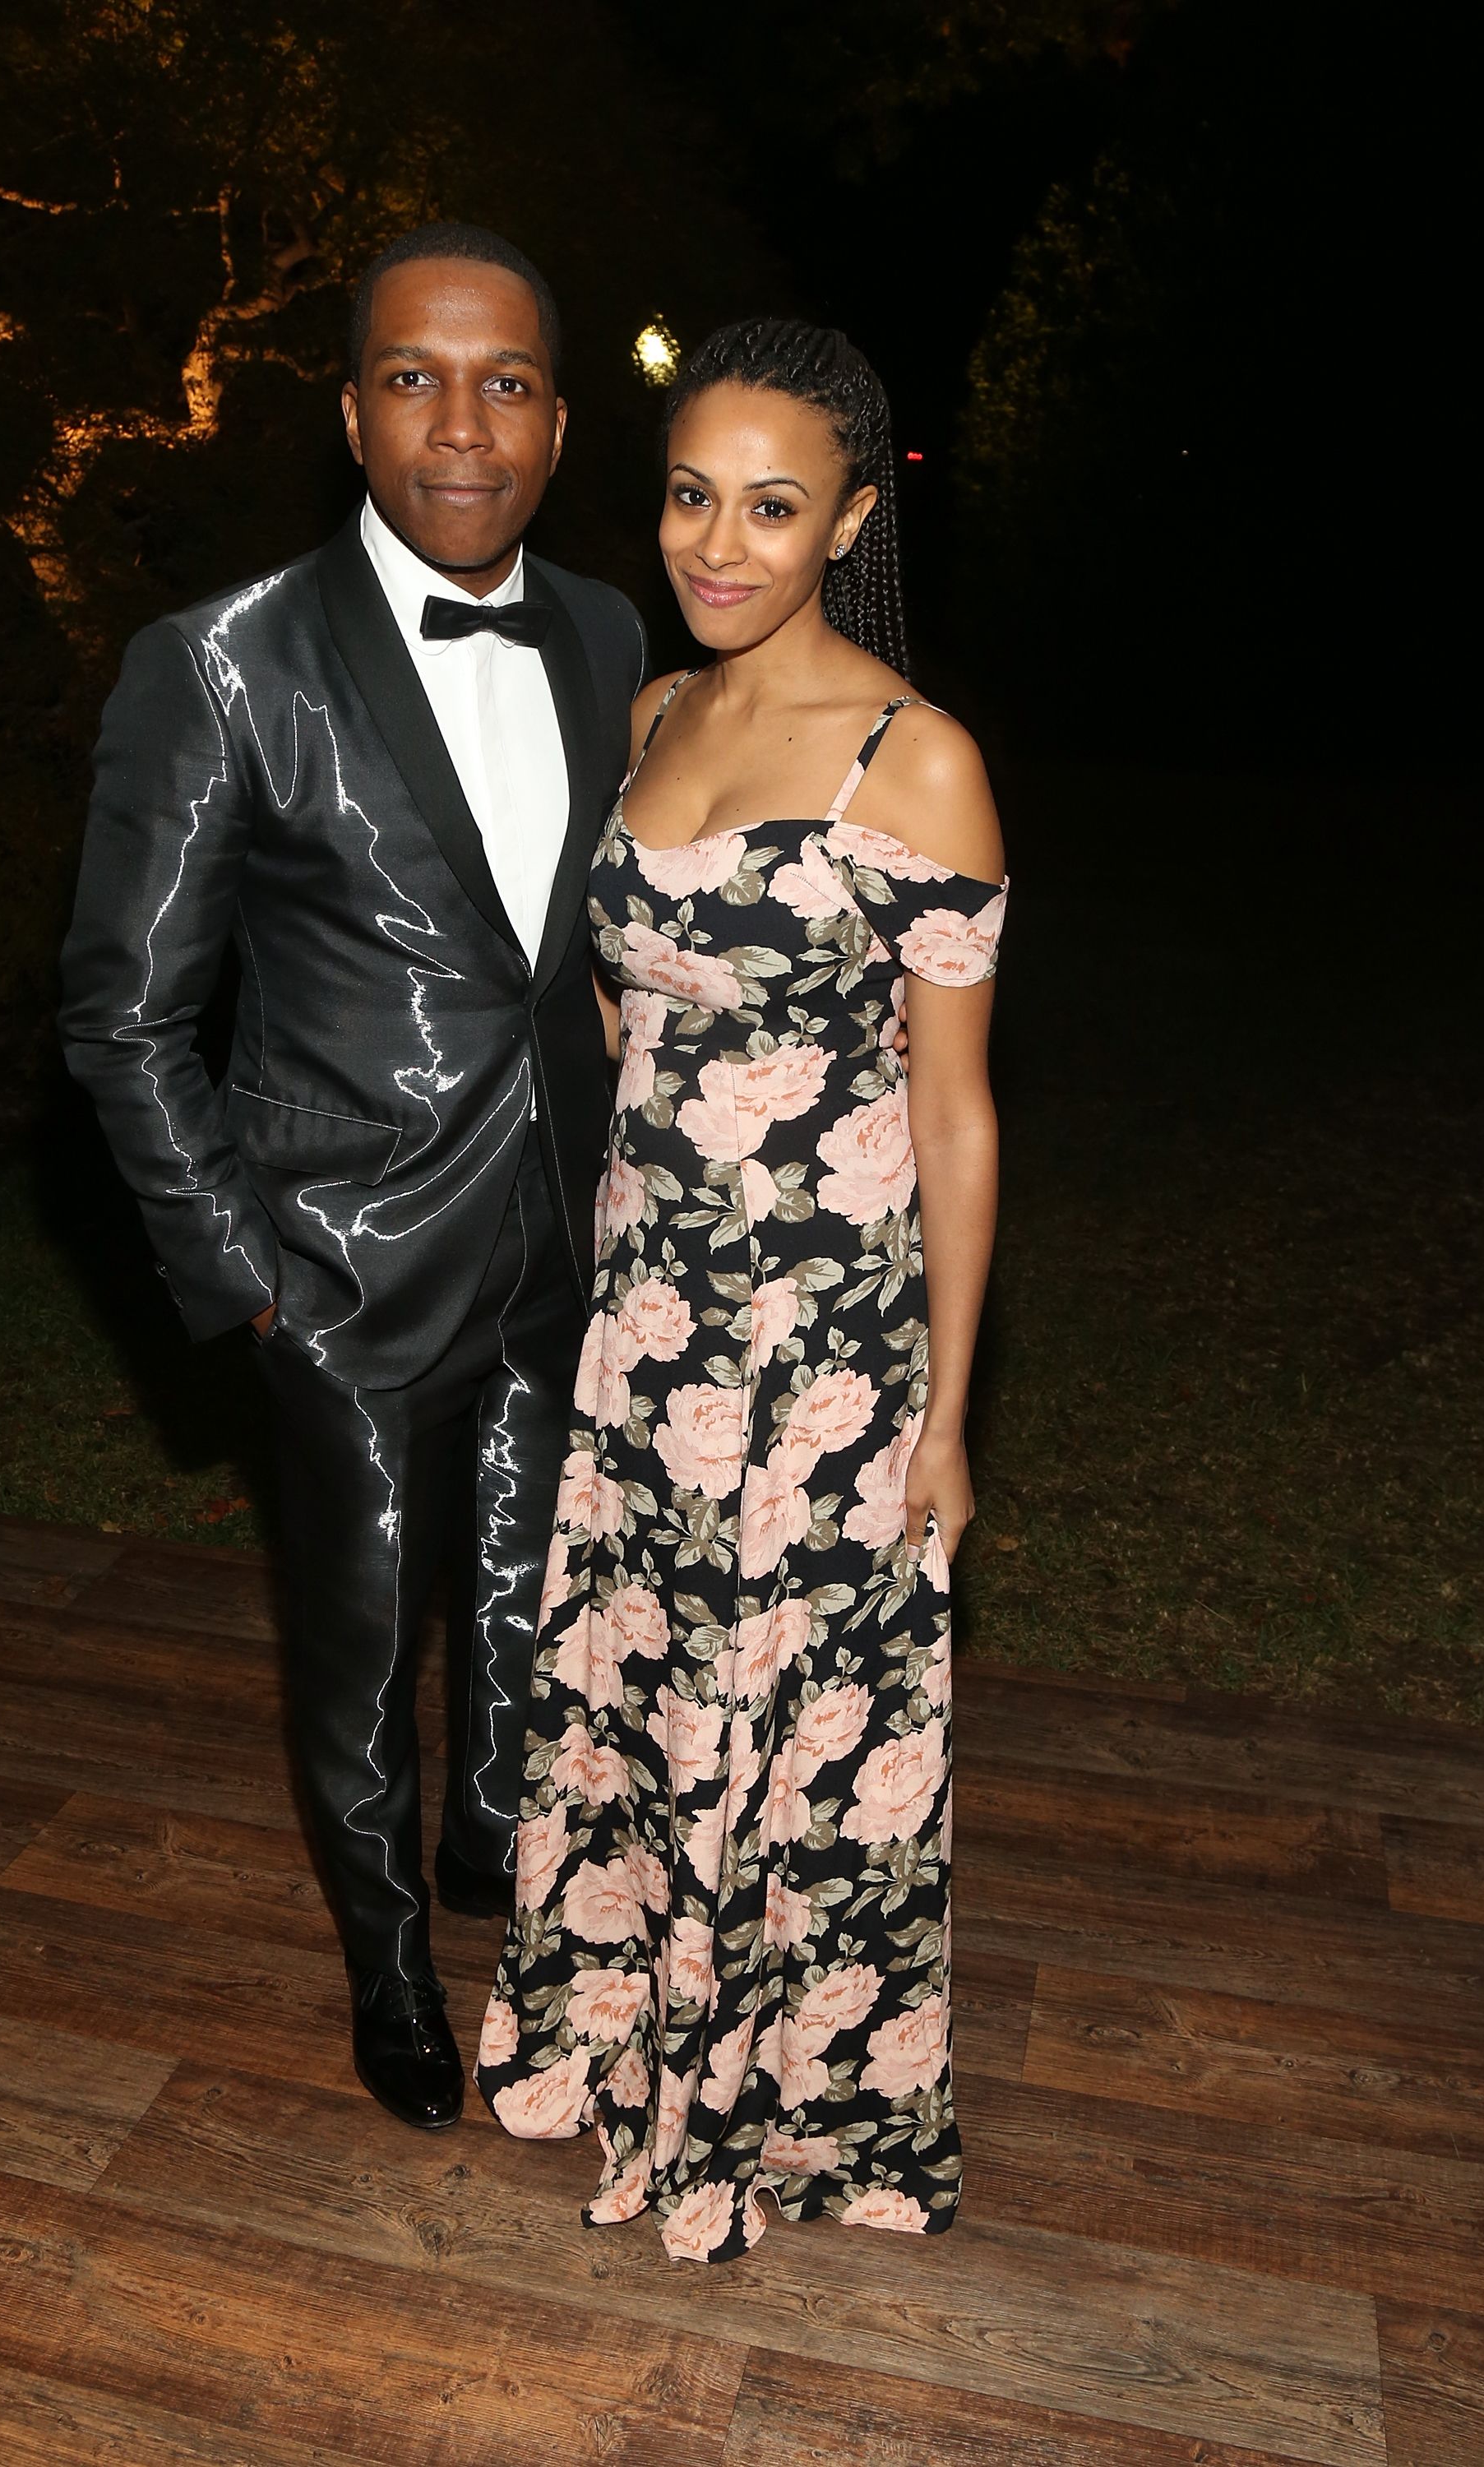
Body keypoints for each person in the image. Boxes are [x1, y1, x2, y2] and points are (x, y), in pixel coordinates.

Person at [58, 225, 645, 2131]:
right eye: (413, 375)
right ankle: (393, 1978)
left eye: (503, 383)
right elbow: (122, 1020)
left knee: (530, 1593)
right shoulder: (217, 665)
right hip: (338, 1266)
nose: (458, 423)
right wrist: (247, 1278)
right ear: (350, 409)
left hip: (564, 1237)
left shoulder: (615, 634)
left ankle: (495, 1848)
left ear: (557, 426)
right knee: (359, 1653)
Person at [476, 317, 1006, 2261]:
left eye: (773, 507)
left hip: (824, 1351)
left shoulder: (917, 761)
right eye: (694, 493)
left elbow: (956, 1121)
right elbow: (628, 1012)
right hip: (648, 1329)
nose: (719, 542)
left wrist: (945, 1418)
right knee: (640, 1683)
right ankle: (625, 2032)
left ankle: (783, 2108)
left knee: (790, 1719)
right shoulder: (652, 718)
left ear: (851, 518)